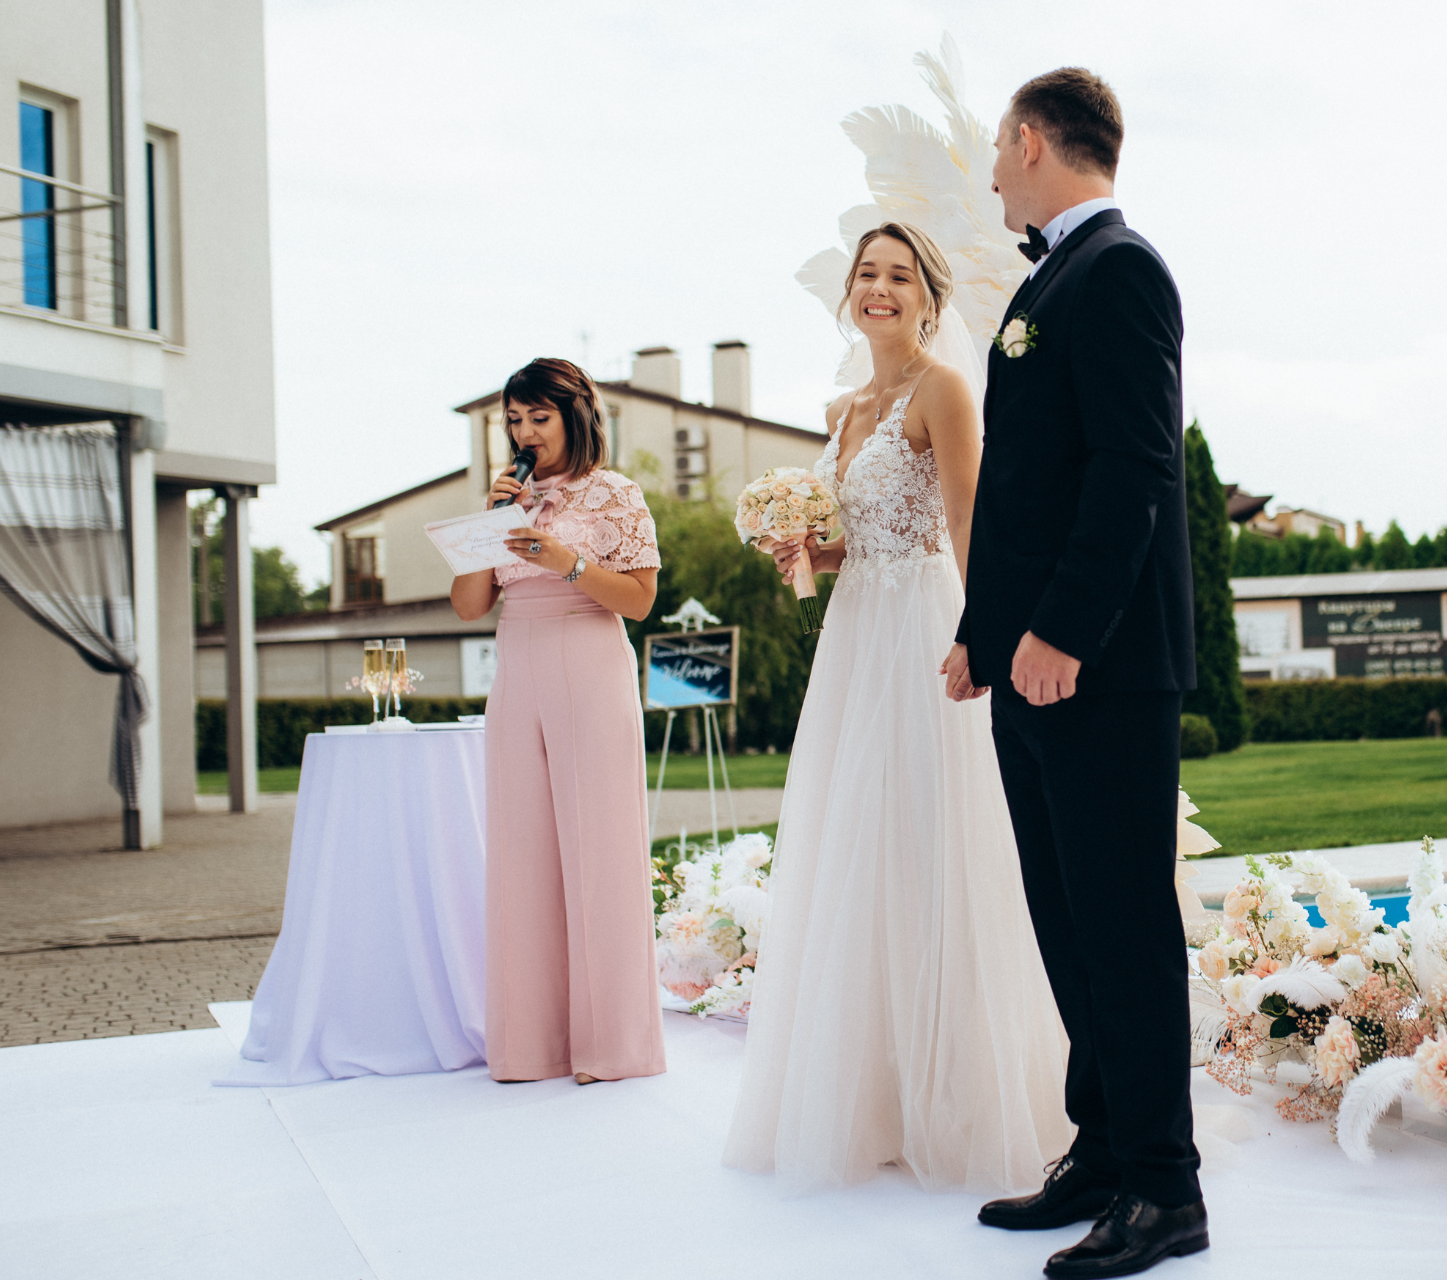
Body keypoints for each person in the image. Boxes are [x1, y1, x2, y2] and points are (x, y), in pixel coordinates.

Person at [722, 222, 1071, 1193]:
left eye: (899, 275)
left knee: (933, 843)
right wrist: (803, 548)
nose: (880, 288)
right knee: (856, 849)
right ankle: (872, 1091)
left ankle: (964, 1095)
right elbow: (862, 532)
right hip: (854, 635)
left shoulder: (944, 389)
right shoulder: (843, 407)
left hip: (925, 626)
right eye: (867, 274)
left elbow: (967, 517)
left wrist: (981, 631)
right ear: (850, 295)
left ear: (929, 297)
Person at [943, 69, 1206, 1278]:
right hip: (1031, 661)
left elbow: (1134, 470)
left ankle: (1165, 1187)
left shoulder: (1121, 270)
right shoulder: (1047, 277)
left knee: (1123, 925)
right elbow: (1024, 488)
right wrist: (983, 631)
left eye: (1000, 148)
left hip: (1097, 667)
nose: (994, 170)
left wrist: (1062, 632)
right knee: (1067, 922)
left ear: (1032, 139)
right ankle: (1102, 1150)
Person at [449, 357, 667, 1086]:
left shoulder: (616, 493)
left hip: (589, 656)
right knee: (521, 849)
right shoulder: (508, 499)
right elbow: (469, 605)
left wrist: (567, 561)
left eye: (538, 417)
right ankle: (530, 1045)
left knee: (598, 845)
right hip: (519, 665)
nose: (525, 432)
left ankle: (611, 1046)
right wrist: (492, 521)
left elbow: (639, 602)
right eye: (514, 420)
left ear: (575, 414)